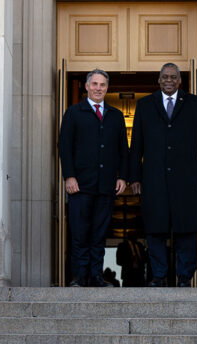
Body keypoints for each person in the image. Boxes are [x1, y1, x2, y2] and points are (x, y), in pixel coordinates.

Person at [129, 63, 197, 287]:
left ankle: (185, 277)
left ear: (179, 81)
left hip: (187, 180)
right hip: (153, 179)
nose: (169, 80)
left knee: (187, 229)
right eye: (165, 77)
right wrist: (134, 177)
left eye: (173, 77)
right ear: (158, 80)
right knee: (155, 230)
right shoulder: (145, 105)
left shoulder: (195, 104)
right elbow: (136, 144)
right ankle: (159, 276)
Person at [58, 69, 129, 287]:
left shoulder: (115, 116)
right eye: (95, 84)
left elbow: (123, 150)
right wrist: (69, 176)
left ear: (107, 88)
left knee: (99, 234)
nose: (98, 88)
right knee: (80, 234)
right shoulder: (73, 113)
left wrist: (123, 177)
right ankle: (80, 278)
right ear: (87, 87)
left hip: (106, 186)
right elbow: (64, 147)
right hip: (80, 186)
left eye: (102, 85)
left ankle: (96, 277)